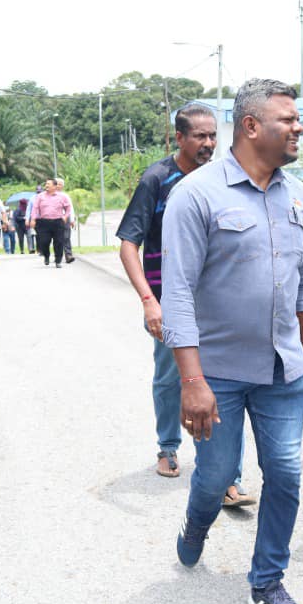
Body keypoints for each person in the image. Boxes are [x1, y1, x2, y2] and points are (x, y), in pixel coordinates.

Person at [162, 79, 303, 604]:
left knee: (286, 473)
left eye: (298, 120)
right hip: (218, 373)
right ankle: (196, 524)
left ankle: (267, 581)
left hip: (283, 370)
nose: (298, 128)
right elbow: (177, 293)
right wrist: (191, 380)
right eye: (288, 120)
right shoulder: (196, 195)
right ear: (251, 126)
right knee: (215, 476)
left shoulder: (299, 195)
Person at [116, 104, 254, 506]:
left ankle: (229, 476)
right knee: (170, 377)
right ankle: (167, 446)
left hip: (219, 304)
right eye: (200, 137)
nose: (209, 144)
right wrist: (148, 301)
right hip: (168, 301)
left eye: (213, 136)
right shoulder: (157, 180)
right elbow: (128, 244)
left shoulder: (226, 178)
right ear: (179, 138)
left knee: (224, 385)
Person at [31, 179, 71, 268]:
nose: (46, 186)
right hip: (44, 222)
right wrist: (33, 219)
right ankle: (46, 256)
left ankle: (58, 261)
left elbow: (68, 207)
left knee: (59, 242)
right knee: (44, 241)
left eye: (49, 184)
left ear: (55, 186)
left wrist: (65, 216)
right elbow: (35, 208)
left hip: (58, 222)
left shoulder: (62, 197)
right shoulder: (40, 196)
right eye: (46, 184)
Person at [54, 177, 75, 263]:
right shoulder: (49, 195)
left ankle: (68, 255)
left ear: (62, 186)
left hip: (65, 218)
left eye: (60, 184)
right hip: (54, 218)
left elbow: (70, 208)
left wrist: (72, 219)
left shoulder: (66, 196)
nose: (58, 186)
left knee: (66, 237)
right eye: (56, 184)